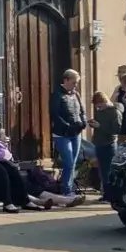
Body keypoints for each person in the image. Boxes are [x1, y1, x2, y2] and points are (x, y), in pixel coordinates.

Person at [50, 69, 88, 198]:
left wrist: (83, 122)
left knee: (74, 162)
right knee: (69, 162)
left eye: (77, 83)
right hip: (62, 134)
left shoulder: (75, 94)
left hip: (76, 133)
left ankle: (69, 187)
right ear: (65, 80)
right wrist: (67, 126)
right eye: (74, 82)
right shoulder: (57, 94)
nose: (75, 85)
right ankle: (66, 189)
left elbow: (82, 111)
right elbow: (55, 114)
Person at [90, 91, 122, 200]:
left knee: (109, 171)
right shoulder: (99, 112)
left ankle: (110, 195)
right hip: (99, 144)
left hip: (109, 144)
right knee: (102, 172)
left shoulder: (114, 112)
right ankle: (106, 194)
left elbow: (116, 130)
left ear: (104, 101)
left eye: (99, 105)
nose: (98, 108)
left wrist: (99, 126)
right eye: (96, 106)